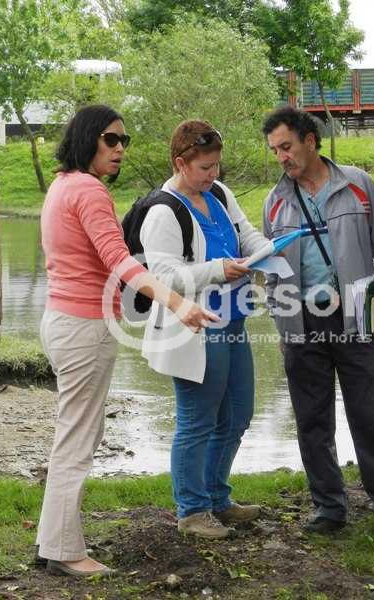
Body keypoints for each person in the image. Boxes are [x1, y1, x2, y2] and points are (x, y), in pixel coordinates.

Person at [36, 105, 216, 577]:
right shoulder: (88, 190)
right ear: (87, 139)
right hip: (84, 327)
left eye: (124, 141)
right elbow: (119, 260)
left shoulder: (61, 185)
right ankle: (63, 551)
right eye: (111, 140)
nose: (119, 149)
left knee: (78, 432)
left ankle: (52, 541)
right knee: (78, 438)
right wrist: (177, 302)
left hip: (61, 320)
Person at [261, 106, 374, 537]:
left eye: (286, 147)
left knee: (373, 416)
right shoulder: (275, 202)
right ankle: (329, 508)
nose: (281, 157)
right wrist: (281, 319)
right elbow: (270, 271)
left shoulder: (358, 186)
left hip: (357, 320)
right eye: (275, 150)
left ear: (310, 141)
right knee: (312, 421)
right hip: (301, 324)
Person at [140, 120, 273, 539]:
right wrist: (218, 269)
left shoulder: (219, 194)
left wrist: (266, 254)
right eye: (204, 167)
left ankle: (217, 497)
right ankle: (192, 510)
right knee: (198, 420)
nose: (213, 174)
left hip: (234, 320)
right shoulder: (163, 211)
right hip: (195, 328)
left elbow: (246, 234)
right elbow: (162, 276)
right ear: (181, 163)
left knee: (237, 415)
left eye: (217, 166)